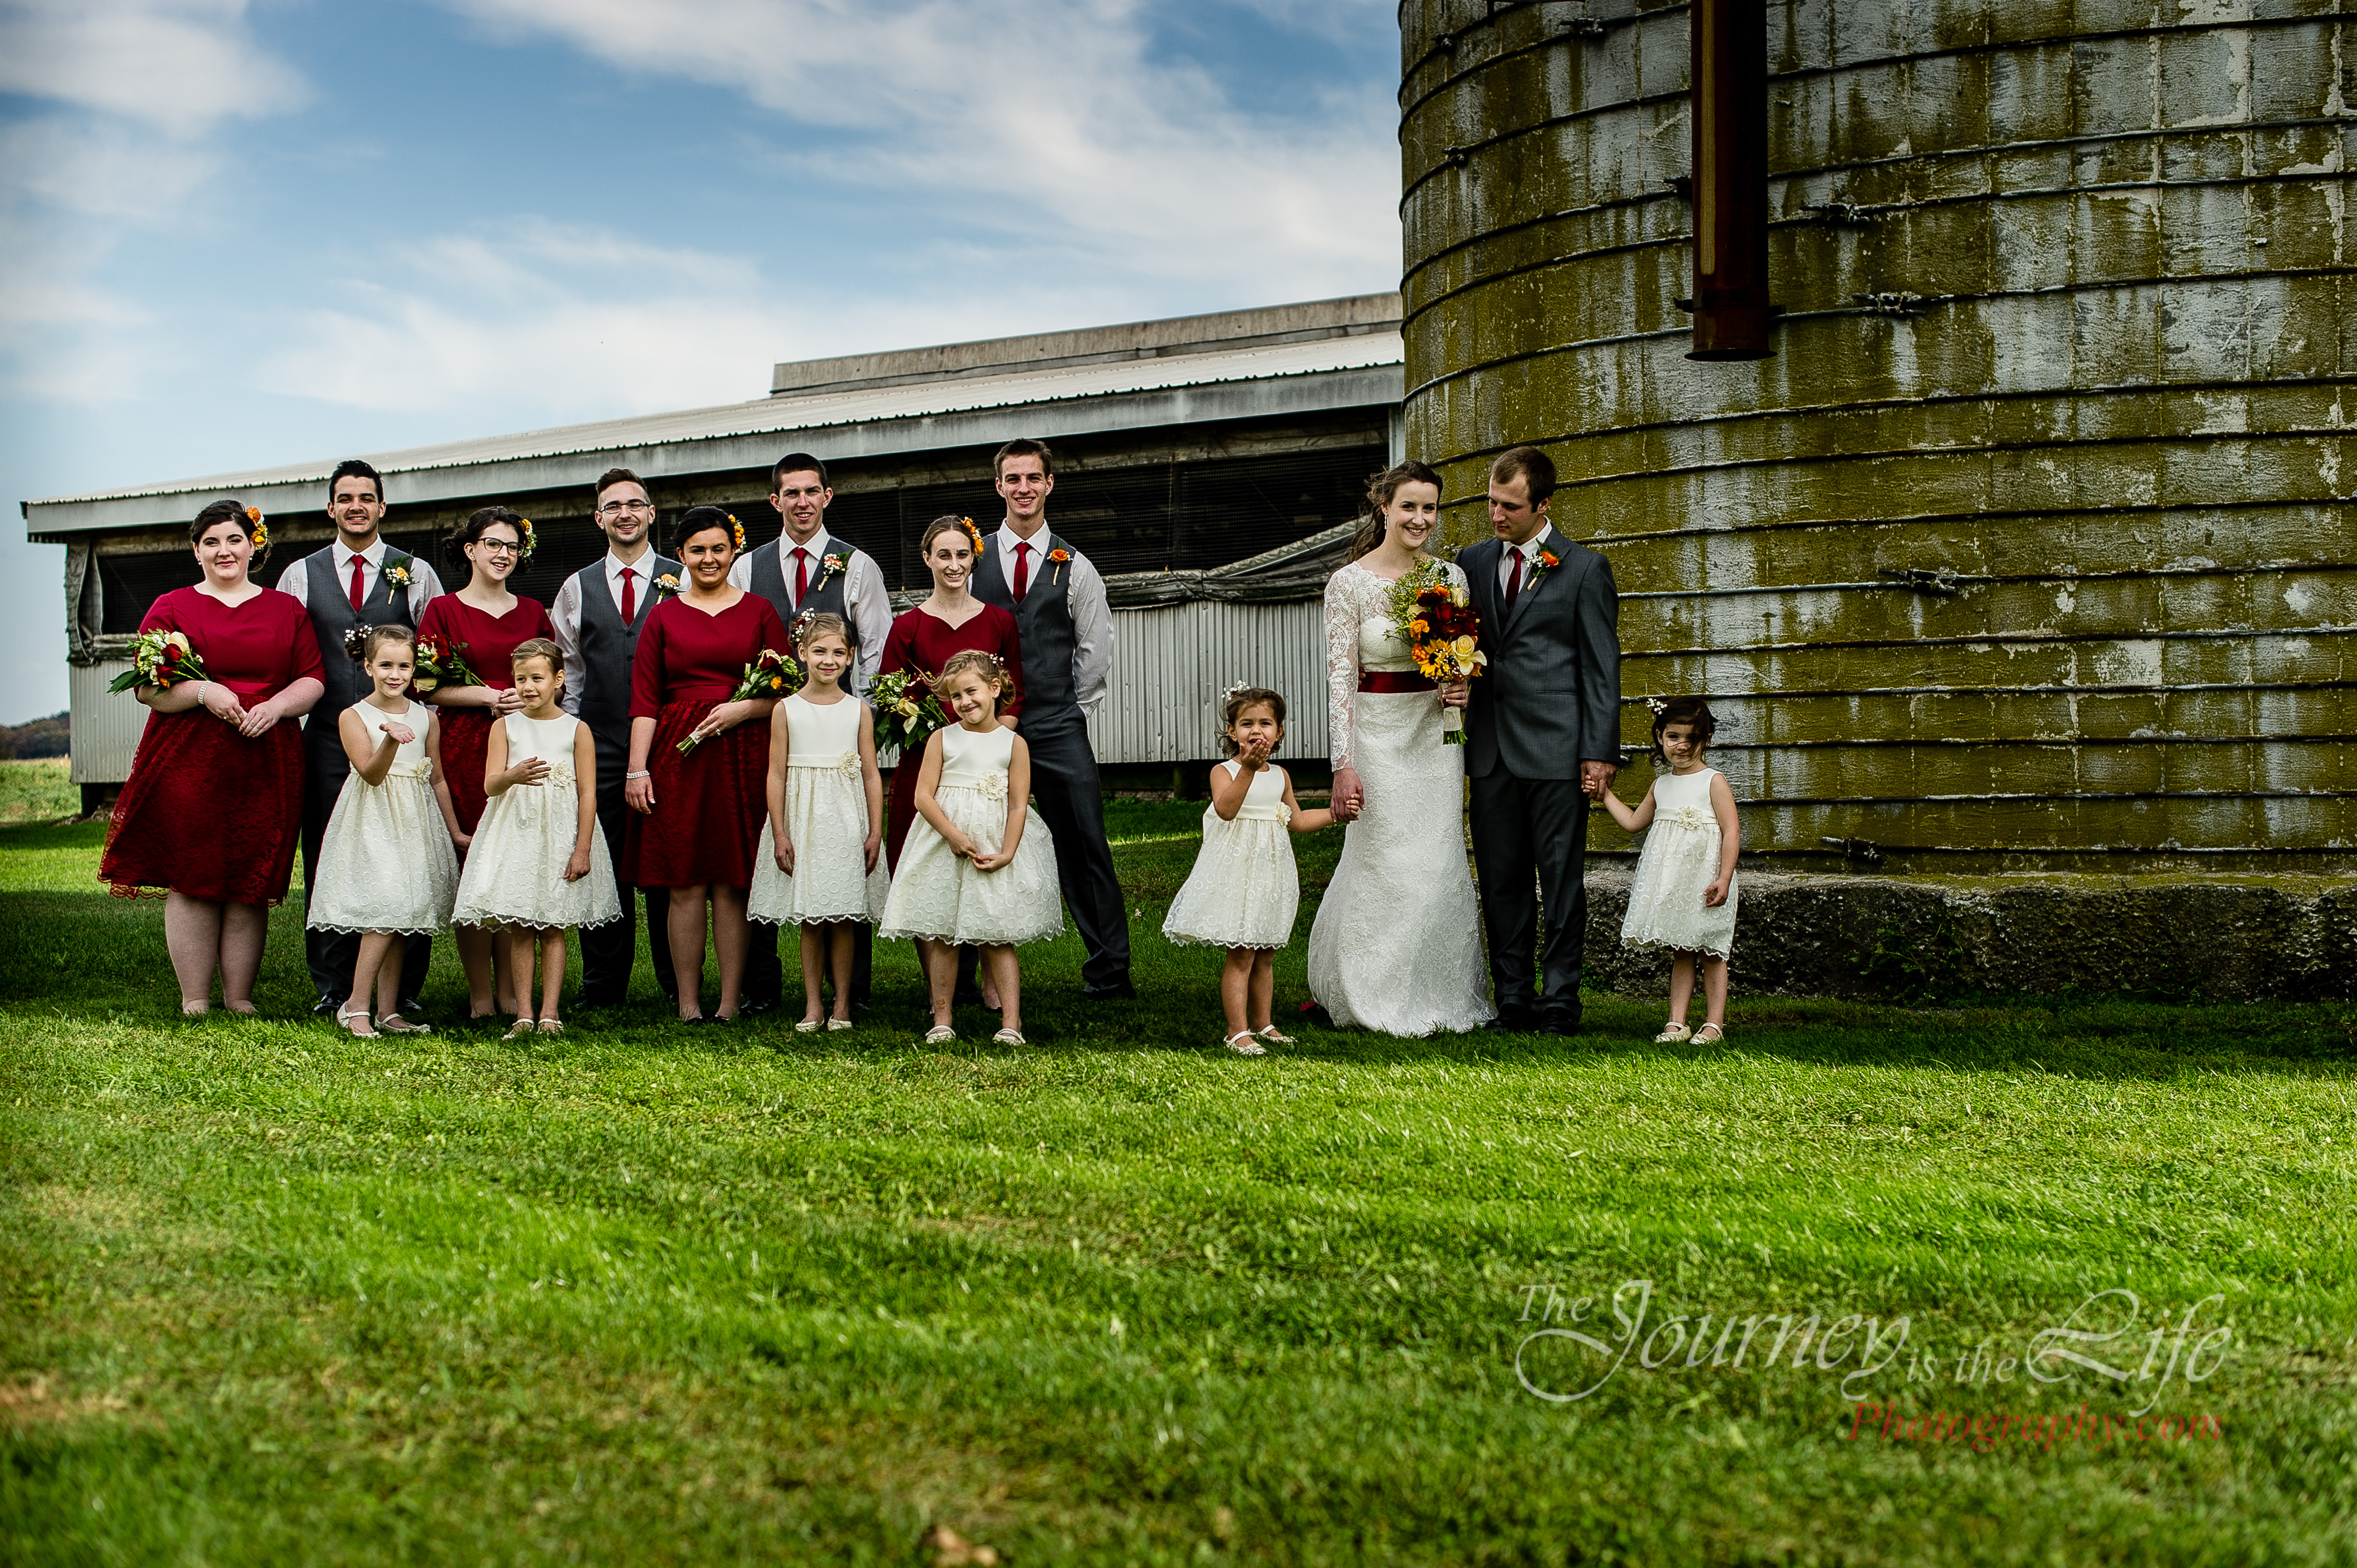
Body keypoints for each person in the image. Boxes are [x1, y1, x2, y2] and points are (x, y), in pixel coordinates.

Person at [98, 500, 325, 1014]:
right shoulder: (172, 607)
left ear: (252, 546)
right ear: (196, 551)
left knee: (251, 877)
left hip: (266, 756)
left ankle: (240, 997)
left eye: (234, 540)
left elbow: (313, 678)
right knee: (194, 875)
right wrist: (204, 692)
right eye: (212, 542)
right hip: (190, 758)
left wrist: (276, 707)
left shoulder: (286, 610)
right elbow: (148, 690)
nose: (224, 550)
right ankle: (195, 998)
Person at [1304, 462, 1495, 1036]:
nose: (1419, 518)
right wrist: (1342, 765)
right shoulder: (1348, 584)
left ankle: (1436, 989)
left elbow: (1458, 659)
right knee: (1384, 859)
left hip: (1435, 737)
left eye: (1428, 508)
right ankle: (1369, 988)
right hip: (1376, 736)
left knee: (1435, 859)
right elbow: (1340, 680)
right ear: (1383, 507)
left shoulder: (1449, 577)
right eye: (1408, 506)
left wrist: (1459, 685)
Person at [1454, 445, 1622, 1036]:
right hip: (1489, 749)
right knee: (1500, 881)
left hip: (1558, 751)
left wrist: (1598, 752)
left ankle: (1559, 1003)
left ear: (1543, 504)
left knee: (1560, 883)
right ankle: (1512, 1001)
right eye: (1491, 502)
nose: (1496, 515)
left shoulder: (1584, 569)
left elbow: (1601, 669)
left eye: (1510, 506)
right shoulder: (1470, 562)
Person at [277, 458, 445, 1016]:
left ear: (382, 506)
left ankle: (403, 992)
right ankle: (334, 985)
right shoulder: (301, 574)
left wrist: (419, 721)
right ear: (331, 508)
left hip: (403, 735)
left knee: (407, 856)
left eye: (366, 497)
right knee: (331, 855)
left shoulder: (415, 572)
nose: (356, 506)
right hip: (330, 735)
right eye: (345, 498)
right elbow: (288, 653)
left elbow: (433, 656)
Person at [968, 439, 1133, 1001]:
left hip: (1057, 724)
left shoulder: (1075, 565)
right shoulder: (972, 560)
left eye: (1033, 478)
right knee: (974, 834)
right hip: (987, 729)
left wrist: (1071, 711)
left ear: (1049, 484)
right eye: (1013, 479)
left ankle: (1109, 971)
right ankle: (967, 976)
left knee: (1085, 843)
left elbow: (1094, 649)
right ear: (999, 487)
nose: (1023, 489)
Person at [730, 452, 891, 1013]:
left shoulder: (858, 565)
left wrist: (859, 716)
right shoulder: (747, 567)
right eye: (791, 493)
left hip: (839, 730)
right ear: (775, 500)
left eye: (811, 491)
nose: (802, 502)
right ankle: (765, 986)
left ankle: (852, 993)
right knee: (775, 854)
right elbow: (740, 644)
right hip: (772, 723)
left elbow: (874, 648)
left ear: (827, 496)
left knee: (847, 862)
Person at [623, 506, 790, 1023]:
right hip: (679, 755)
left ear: (734, 551)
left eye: (719, 548)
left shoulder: (760, 611)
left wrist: (745, 709)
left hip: (744, 754)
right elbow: (644, 700)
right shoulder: (663, 616)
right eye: (697, 550)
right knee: (685, 881)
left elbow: (789, 692)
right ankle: (689, 1003)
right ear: (681, 555)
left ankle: (729, 1002)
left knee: (732, 881)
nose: (709, 558)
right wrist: (637, 769)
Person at [876, 515, 1026, 1007]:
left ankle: (990, 980)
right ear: (927, 559)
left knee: (983, 861)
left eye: (962, 554)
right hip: (927, 758)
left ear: (973, 559)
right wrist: (934, 733)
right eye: (943, 555)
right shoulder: (908, 626)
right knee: (925, 869)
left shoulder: (999, 621)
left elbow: (1016, 692)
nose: (953, 564)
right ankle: (939, 984)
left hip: (984, 765)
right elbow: (891, 696)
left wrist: (991, 743)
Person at [878, 651, 1062, 1047]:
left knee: (996, 934)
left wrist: (1007, 852)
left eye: (971, 692)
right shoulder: (942, 739)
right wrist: (952, 835)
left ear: (994, 689)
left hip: (992, 848)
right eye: (955, 696)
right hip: (944, 846)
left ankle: (1011, 1022)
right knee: (943, 934)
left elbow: (1018, 804)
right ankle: (942, 1018)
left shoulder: (1013, 744)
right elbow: (923, 797)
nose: (963, 702)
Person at [418, 506, 556, 1020]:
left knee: (514, 863)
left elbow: (553, 679)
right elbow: (425, 685)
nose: (503, 554)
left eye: (512, 546)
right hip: (467, 747)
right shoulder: (442, 610)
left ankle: (512, 991)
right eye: (493, 544)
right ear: (470, 550)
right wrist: (488, 697)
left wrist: (530, 701)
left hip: (527, 745)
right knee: (476, 865)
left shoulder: (534, 612)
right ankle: (480, 993)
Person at [552, 467, 683, 1009]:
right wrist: (571, 738)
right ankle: (603, 985)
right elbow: (571, 672)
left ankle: (678, 984)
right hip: (599, 740)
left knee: (667, 863)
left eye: (634, 504)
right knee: (601, 860)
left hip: (671, 741)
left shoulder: (684, 576)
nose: (624, 513)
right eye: (613, 506)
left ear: (651, 513)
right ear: (598, 518)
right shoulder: (575, 587)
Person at [449, 639, 622, 1040]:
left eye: (537, 678)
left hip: (560, 837)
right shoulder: (504, 727)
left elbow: (588, 794)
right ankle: (523, 1014)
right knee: (522, 926)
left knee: (553, 926)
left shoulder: (576, 730)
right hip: (518, 835)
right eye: (520, 679)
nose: (528, 687)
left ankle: (550, 1013)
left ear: (559, 679)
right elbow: (491, 785)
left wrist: (582, 849)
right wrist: (512, 776)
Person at [1161, 686, 1339, 1054]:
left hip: (1270, 872)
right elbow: (1226, 810)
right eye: (1246, 724)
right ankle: (1237, 1031)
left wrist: (1335, 814)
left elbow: (1297, 820)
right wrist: (1248, 768)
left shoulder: (1281, 776)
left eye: (1265, 723)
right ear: (1232, 732)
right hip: (1237, 873)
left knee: (1265, 952)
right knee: (1242, 952)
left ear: (1279, 731)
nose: (1256, 730)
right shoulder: (1224, 771)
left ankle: (1263, 1023)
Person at [306, 626, 461, 1038]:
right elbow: (371, 774)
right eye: (386, 665)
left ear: (414, 669)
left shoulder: (426, 717)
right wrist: (390, 739)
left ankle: (387, 1011)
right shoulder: (353, 716)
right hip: (374, 820)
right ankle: (355, 1004)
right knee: (385, 909)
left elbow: (436, 778)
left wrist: (454, 832)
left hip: (416, 821)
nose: (395, 674)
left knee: (402, 914)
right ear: (368, 666)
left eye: (404, 666)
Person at [747, 614, 888, 1034]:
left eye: (839, 653)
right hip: (803, 819)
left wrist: (875, 831)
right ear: (802, 653)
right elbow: (776, 774)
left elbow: (870, 774)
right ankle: (812, 1004)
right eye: (820, 651)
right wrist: (780, 832)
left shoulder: (858, 710)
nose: (829, 660)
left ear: (850, 658)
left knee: (843, 915)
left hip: (846, 820)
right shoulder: (786, 709)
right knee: (811, 916)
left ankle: (842, 1004)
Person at [1592, 697, 1739, 1044]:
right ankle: (1677, 1022)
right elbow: (1633, 823)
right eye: (1674, 736)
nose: (1682, 745)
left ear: (1706, 740)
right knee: (1683, 948)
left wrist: (1724, 878)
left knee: (1712, 948)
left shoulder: (1713, 781)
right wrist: (1605, 794)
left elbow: (1731, 830)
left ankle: (1714, 1023)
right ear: (1660, 737)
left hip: (1707, 878)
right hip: (1676, 881)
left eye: (1692, 738)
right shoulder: (1661, 785)